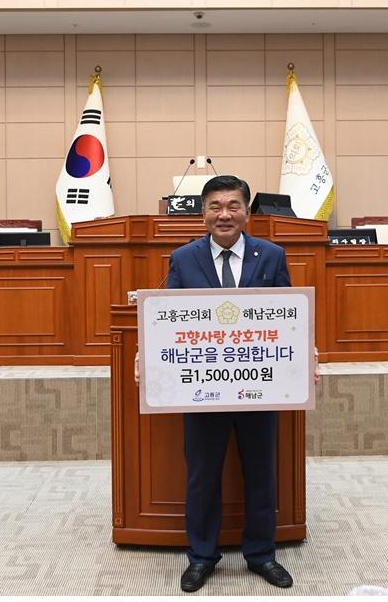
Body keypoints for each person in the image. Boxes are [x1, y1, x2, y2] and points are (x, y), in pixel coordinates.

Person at [142, 175, 296, 593]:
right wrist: (146, 353)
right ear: (203, 212)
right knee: (203, 475)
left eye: (232, 205)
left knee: (262, 474)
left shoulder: (272, 255)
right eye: (215, 206)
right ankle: (202, 557)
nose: (224, 214)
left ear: (247, 211)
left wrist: (307, 354)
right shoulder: (184, 257)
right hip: (204, 388)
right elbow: (168, 319)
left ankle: (261, 555)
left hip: (258, 387)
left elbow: (289, 319)